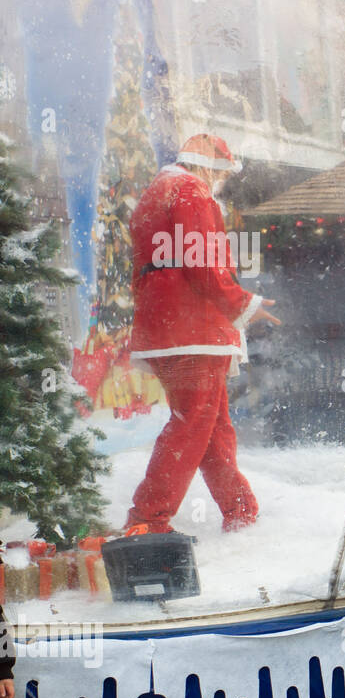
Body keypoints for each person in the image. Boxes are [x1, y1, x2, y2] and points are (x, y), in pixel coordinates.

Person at [126, 134, 281, 534]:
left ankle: (240, 511)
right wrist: (242, 303)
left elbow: (154, 265)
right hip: (193, 327)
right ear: (208, 166)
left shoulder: (154, 195)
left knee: (209, 423)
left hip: (164, 326)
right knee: (194, 421)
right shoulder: (191, 190)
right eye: (221, 173)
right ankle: (148, 519)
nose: (221, 182)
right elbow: (201, 263)